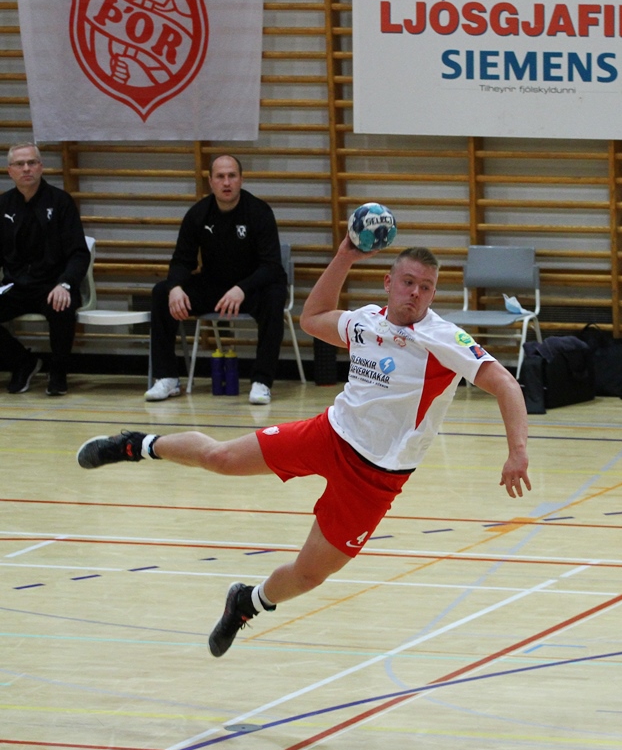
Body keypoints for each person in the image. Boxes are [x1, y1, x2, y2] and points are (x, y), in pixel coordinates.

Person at [77, 239, 532, 658]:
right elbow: (312, 318)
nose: (415, 293)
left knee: (310, 574)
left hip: (377, 478)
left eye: (426, 287)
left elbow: (505, 384)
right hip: (329, 435)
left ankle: (247, 602)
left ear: (433, 295)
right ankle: (139, 445)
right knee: (221, 458)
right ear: (389, 283)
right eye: (408, 282)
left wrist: (517, 450)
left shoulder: (443, 340)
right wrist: (345, 256)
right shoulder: (364, 322)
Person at [145, 155, 287, 405]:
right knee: (161, 292)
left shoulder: (259, 212)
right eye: (220, 177)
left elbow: (272, 266)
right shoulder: (198, 214)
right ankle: (166, 377)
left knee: (275, 296)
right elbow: (182, 260)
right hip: (215, 288)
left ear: (241, 179)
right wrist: (175, 286)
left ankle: (261, 381)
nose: (227, 182)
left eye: (232, 175)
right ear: (210, 181)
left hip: (251, 288)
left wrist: (242, 289)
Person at [0, 142, 90, 396]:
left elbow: (78, 253)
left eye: (32, 163)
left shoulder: (61, 202)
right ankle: (22, 362)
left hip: (53, 285)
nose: (26, 168)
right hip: (15, 286)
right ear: (10, 171)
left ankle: (58, 373)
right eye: (20, 164)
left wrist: (66, 284)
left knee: (61, 305)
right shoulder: (3, 205)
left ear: (41, 167)